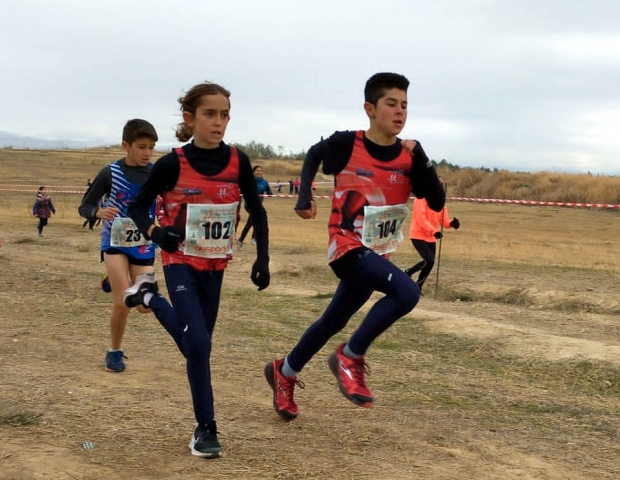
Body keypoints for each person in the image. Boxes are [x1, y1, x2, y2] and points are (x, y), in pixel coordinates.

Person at [264, 72, 444, 421]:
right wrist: (304, 197)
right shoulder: (348, 143)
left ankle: (283, 372)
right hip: (346, 247)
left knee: (333, 319)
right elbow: (314, 154)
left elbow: (435, 200)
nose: (399, 111)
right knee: (407, 293)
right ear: (370, 108)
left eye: (404, 105)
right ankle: (350, 355)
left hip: (377, 253)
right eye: (391, 103)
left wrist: (422, 156)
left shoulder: (409, 157)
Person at [125, 81, 270, 458]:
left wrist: (262, 257)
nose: (218, 122)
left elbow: (257, 209)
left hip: (215, 265)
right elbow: (138, 208)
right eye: (210, 114)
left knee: (197, 347)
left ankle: (149, 297)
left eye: (224, 115)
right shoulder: (172, 163)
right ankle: (206, 428)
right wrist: (158, 234)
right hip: (180, 264)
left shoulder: (237, 161)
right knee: (201, 344)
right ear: (190, 119)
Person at [78, 119, 159, 373]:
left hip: (142, 243)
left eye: (151, 147)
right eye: (141, 147)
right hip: (114, 243)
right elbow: (85, 206)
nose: (147, 153)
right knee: (123, 301)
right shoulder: (110, 173)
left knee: (145, 306)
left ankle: (110, 279)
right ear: (126, 145)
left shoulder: (156, 173)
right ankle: (113, 351)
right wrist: (98, 213)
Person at [404, 180, 460, 294]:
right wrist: (434, 231)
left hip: (431, 236)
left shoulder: (440, 202)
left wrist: (451, 224)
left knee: (430, 263)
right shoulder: (421, 198)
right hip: (418, 234)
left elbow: (443, 219)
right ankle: (407, 273)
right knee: (428, 260)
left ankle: (418, 286)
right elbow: (421, 219)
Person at [237, 165, 273, 249]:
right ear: (253, 172)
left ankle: (241, 239)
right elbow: (242, 191)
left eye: (260, 170)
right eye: (257, 171)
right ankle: (253, 238)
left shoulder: (265, 182)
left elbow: (269, 193)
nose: (259, 172)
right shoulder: (250, 181)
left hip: (259, 205)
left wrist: (273, 194)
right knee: (256, 219)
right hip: (249, 204)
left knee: (252, 221)